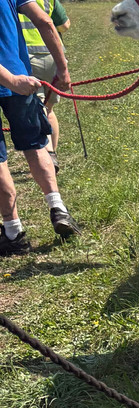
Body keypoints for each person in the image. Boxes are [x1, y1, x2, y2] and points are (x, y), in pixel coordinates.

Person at [0, 0, 77, 256]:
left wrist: (10, 81)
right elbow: (44, 21)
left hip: (15, 79)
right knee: (36, 144)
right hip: (19, 78)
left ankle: (14, 233)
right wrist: (63, 68)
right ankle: (58, 208)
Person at [19, 0, 68, 165]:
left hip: (27, 55)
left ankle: (48, 155)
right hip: (52, 54)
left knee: (37, 108)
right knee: (49, 109)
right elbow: (65, 25)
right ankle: (53, 152)